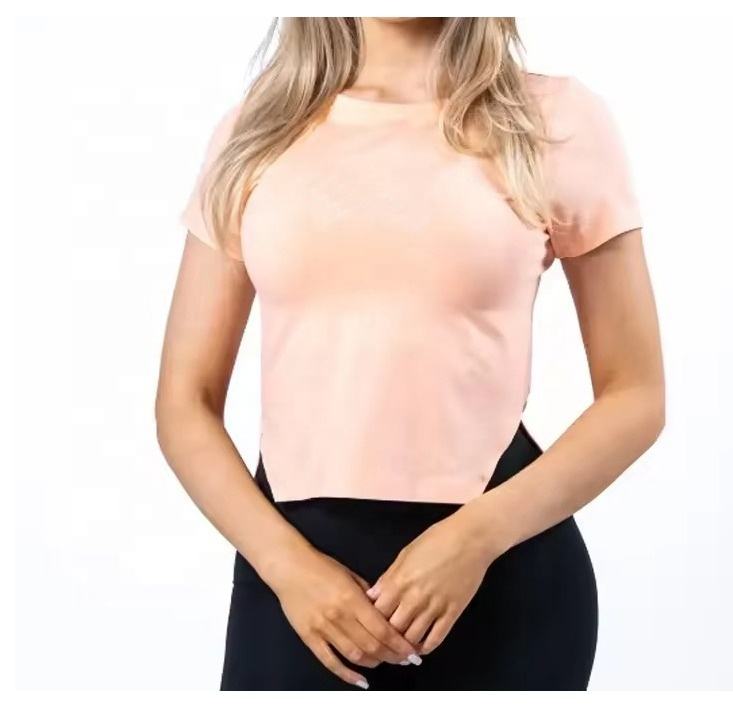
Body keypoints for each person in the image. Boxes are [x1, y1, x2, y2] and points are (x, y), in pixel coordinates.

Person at [155, 17, 665, 691]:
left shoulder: (552, 121)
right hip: (298, 590)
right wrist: (286, 567)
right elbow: (184, 402)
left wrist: (475, 538)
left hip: (502, 586)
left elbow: (636, 395)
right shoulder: (260, 130)